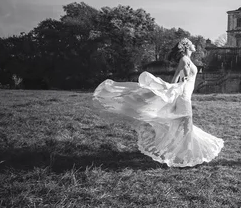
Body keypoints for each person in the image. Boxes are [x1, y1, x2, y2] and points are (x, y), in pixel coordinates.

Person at [93, 38, 224, 167]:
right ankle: (184, 154)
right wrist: (179, 86)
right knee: (186, 125)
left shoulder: (185, 60)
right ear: (187, 47)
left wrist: (169, 91)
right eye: (191, 44)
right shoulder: (184, 60)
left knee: (182, 125)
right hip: (183, 96)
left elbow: (175, 78)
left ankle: (176, 150)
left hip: (184, 94)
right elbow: (183, 76)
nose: (194, 45)